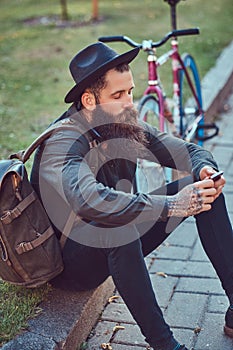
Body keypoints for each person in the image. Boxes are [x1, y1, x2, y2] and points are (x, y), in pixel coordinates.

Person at [31, 42, 233, 350]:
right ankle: (166, 345)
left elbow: (190, 151)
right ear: (89, 100)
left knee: (204, 189)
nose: (129, 102)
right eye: (118, 95)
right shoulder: (63, 142)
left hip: (114, 236)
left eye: (130, 92)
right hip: (70, 261)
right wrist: (171, 204)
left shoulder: (120, 123)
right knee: (118, 228)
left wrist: (205, 171)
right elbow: (91, 201)